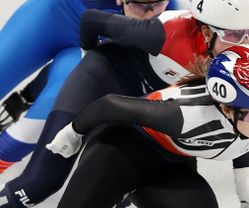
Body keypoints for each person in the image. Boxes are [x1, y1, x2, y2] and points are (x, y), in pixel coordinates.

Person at [0, 0, 249, 208]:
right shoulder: (162, 32)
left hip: (138, 102)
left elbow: (238, 116)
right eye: (237, 35)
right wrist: (87, 58)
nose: (246, 43)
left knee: (118, 182)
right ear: (206, 32)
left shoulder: (237, 57)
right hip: (100, 80)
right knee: (40, 183)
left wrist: (244, 183)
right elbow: (92, 20)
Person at [46, 44, 249, 208]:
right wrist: (73, 132)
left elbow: (241, 140)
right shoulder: (186, 116)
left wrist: (244, 188)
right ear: (226, 108)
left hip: (172, 164)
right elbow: (111, 105)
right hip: (119, 150)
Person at [0, 0, 186, 173]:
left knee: (37, 125)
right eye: (140, 3)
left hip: (104, 39)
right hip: (58, 11)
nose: (148, 9)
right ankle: (28, 96)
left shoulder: (169, 16)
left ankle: (28, 97)